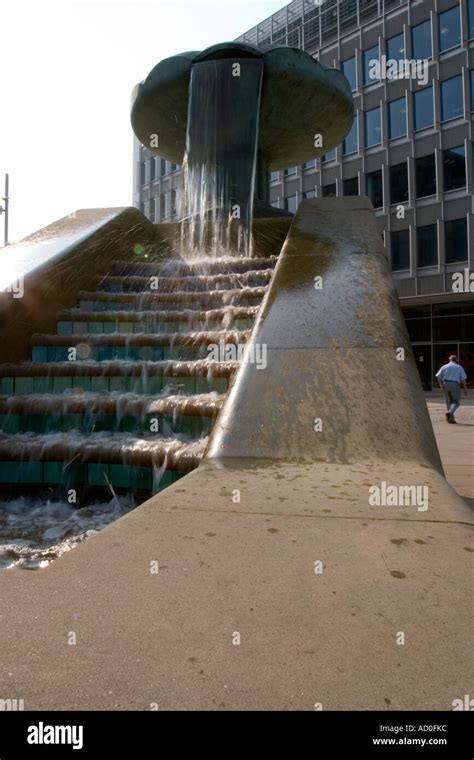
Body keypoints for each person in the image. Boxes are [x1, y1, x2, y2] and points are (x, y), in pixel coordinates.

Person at [435, 355, 468, 423]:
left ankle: (450, 419)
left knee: (449, 402)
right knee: (456, 402)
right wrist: (465, 389)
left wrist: (441, 385)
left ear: (449, 359)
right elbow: (463, 379)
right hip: (454, 384)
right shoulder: (459, 367)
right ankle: (449, 413)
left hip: (446, 384)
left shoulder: (444, 366)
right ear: (456, 360)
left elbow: (438, 376)